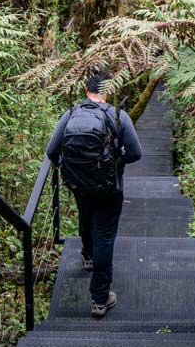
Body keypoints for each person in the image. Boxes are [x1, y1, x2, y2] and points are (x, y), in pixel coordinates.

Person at [46, 70, 142, 317]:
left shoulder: (70, 114)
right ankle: (100, 299)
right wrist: (116, 161)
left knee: (85, 216)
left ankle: (87, 255)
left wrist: (67, 168)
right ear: (108, 90)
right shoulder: (118, 116)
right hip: (110, 188)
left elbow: (51, 150)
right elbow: (135, 153)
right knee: (105, 236)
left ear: (85, 90)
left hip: (79, 184)